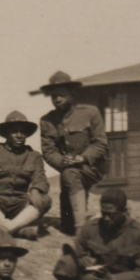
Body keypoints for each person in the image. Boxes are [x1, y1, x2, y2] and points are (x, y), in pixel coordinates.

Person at [35, 72, 110, 233]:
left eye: (62, 95)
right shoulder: (47, 121)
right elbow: (48, 151)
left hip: (93, 167)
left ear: (72, 94)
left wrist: (83, 158)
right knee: (67, 225)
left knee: (70, 175)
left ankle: (81, 230)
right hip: (69, 170)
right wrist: (63, 162)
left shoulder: (90, 112)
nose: (58, 100)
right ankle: (85, 221)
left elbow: (100, 143)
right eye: (54, 96)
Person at [0, 112, 54, 251]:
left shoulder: (34, 156)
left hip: (19, 205)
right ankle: (18, 230)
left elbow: (41, 178)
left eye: (22, 132)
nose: (19, 135)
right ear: (6, 134)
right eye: (14, 131)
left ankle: (6, 228)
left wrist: (35, 190)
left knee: (45, 200)